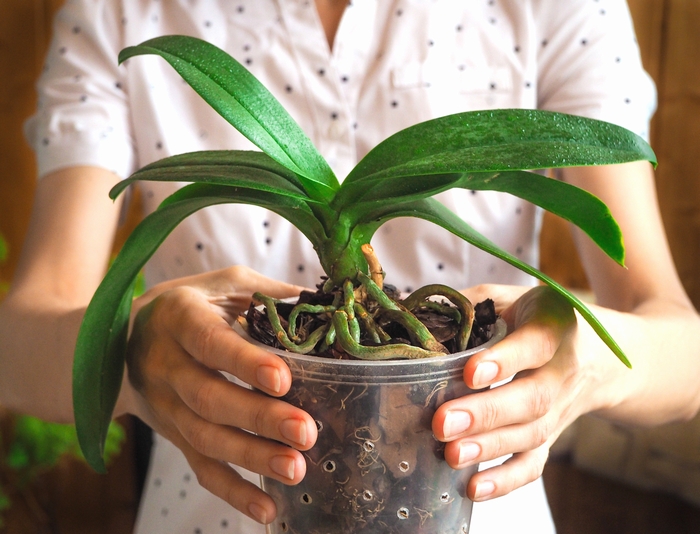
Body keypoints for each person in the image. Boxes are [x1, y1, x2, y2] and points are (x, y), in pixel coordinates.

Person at [1, 0, 699, 532]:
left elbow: (683, 352)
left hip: (481, 505)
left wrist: (583, 361)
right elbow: (18, 348)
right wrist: (133, 352)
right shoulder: (117, 10)